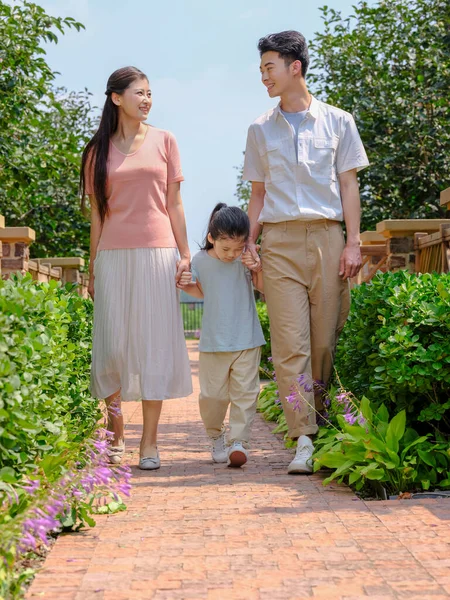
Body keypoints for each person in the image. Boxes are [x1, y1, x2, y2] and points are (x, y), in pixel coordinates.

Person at [242, 31, 369, 474]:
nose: (263, 77)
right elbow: (257, 195)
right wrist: (249, 242)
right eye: (261, 69)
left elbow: (349, 186)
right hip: (278, 243)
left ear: (294, 66)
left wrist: (353, 242)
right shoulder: (260, 129)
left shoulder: (339, 122)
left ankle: (327, 418)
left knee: (323, 340)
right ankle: (303, 437)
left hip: (328, 240)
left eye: (268, 67)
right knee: (288, 344)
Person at [80, 66, 193, 471]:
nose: (146, 100)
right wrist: (93, 267)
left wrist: (184, 253)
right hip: (112, 257)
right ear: (116, 98)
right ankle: (115, 434)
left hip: (158, 253)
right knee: (112, 345)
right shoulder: (96, 151)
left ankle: (149, 443)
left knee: (153, 347)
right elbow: (96, 215)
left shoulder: (165, 140)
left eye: (150, 93)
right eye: (139, 93)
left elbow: (174, 202)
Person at [182, 204, 265, 467]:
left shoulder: (246, 258)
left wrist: (257, 268)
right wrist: (186, 283)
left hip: (248, 338)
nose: (231, 255)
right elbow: (200, 292)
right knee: (212, 397)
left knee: (245, 394)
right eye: (225, 248)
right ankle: (216, 436)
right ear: (211, 238)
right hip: (214, 341)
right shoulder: (200, 260)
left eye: (237, 248)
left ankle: (239, 442)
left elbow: (263, 288)